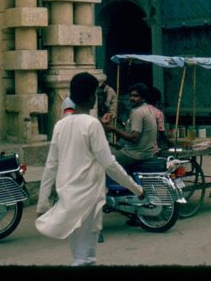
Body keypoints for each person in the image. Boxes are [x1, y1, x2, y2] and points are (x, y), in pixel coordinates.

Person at [36, 72, 145, 266]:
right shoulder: (92, 124)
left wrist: (42, 203)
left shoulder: (60, 126)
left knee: (79, 257)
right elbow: (109, 164)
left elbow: (51, 166)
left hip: (68, 198)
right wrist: (137, 189)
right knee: (85, 259)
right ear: (90, 97)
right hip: (88, 201)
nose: (96, 97)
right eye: (95, 93)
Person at [100, 83, 159, 169]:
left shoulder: (138, 112)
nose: (132, 98)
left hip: (135, 154)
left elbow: (134, 138)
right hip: (146, 153)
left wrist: (113, 129)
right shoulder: (148, 109)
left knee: (99, 159)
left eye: (136, 96)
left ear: (143, 98)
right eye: (131, 96)